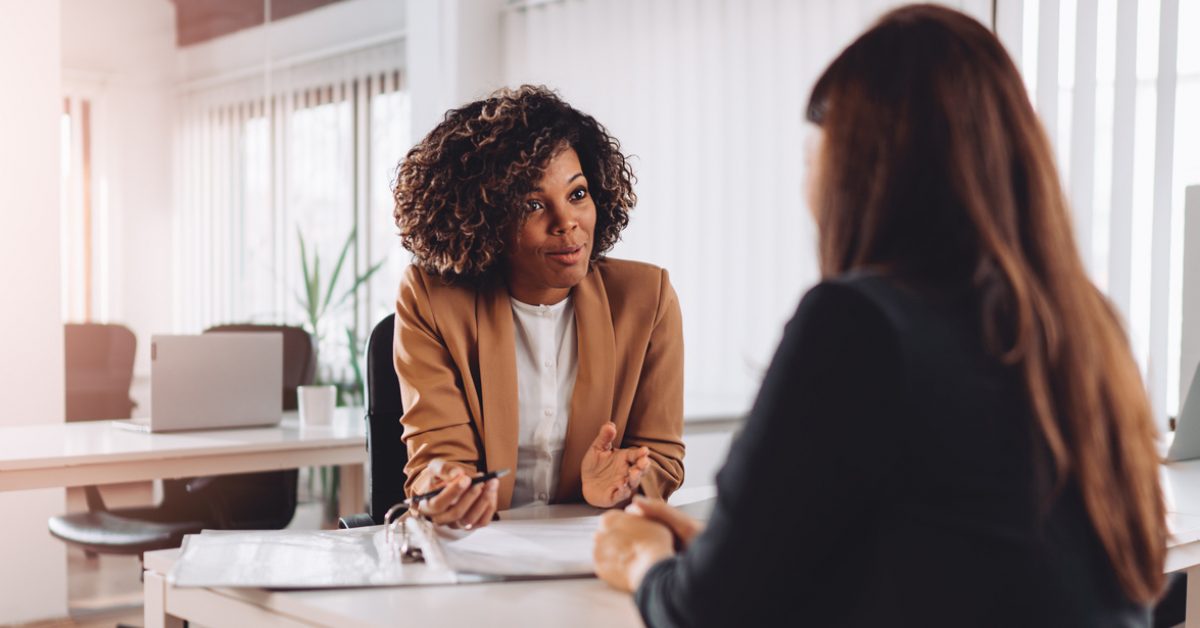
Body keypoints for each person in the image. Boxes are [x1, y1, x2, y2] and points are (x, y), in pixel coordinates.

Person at [593, 5, 1166, 627]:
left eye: (819, 144)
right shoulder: (1087, 323)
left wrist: (643, 562)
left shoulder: (859, 324)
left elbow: (706, 614)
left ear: (860, 163)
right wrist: (719, 552)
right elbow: (950, 566)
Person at [391, 85, 685, 530]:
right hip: (479, 550)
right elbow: (436, 455)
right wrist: (445, 487)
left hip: (589, 553)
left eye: (577, 194)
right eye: (532, 204)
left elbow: (661, 456)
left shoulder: (647, 299)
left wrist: (625, 482)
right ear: (484, 219)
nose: (566, 221)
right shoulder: (432, 299)